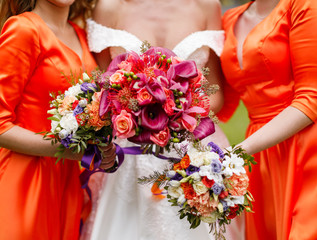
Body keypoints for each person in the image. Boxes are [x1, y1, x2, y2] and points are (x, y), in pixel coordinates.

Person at [80, 0, 244, 240]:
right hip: (129, 152)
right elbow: (103, 90)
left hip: (193, 149)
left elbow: (216, 94)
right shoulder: (109, 7)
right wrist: (137, 108)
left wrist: (176, 108)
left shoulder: (207, 5)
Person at [0, 0, 117, 239]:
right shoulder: (24, 29)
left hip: (68, 184)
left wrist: (101, 144)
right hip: (25, 180)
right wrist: (67, 150)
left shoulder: (81, 35)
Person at [218, 0, 317, 239]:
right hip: (263, 156)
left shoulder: (306, 5)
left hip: (315, 146)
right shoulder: (230, 18)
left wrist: (238, 153)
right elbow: (222, 104)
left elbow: (311, 100)